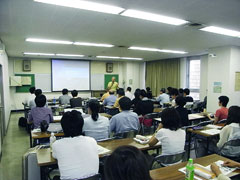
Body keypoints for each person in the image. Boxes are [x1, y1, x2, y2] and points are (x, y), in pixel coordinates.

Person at [52, 110, 99, 180]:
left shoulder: (57, 145)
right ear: (82, 126)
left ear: (63, 127)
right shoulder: (92, 141)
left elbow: (54, 156)